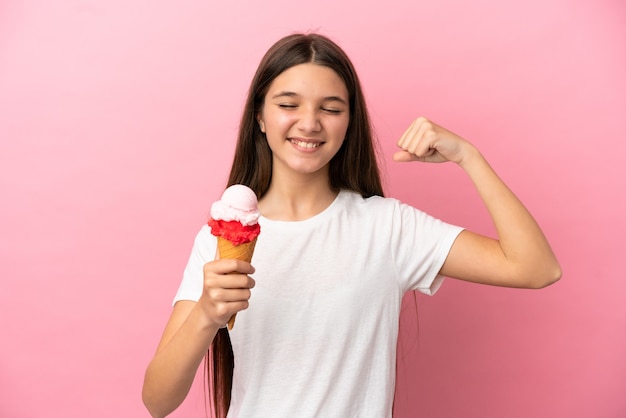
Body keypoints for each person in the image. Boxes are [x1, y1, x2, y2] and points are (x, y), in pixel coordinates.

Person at [142, 33, 561, 418]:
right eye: (288, 105)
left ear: (349, 122)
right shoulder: (216, 241)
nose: (309, 123)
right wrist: (205, 316)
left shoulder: (389, 227)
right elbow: (157, 401)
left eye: (330, 108)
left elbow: (536, 268)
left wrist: (468, 156)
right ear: (260, 117)